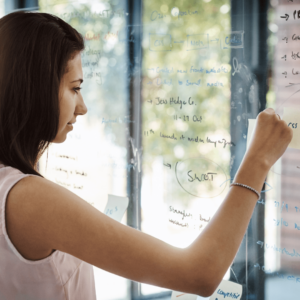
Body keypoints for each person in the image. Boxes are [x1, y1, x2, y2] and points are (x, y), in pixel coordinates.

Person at [0, 10, 293, 300]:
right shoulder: (29, 199)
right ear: (34, 88)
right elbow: (200, 274)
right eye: (75, 88)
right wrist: (259, 160)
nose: (82, 107)